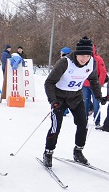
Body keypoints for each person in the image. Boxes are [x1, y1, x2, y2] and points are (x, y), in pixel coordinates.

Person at [42, 36, 104, 167]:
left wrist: (99, 96)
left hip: (76, 98)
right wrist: (53, 101)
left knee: (83, 124)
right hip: (59, 98)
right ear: (76, 53)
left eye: (87, 56)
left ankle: (78, 152)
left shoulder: (92, 62)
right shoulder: (65, 62)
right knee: (56, 126)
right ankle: (48, 152)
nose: (84, 59)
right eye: (81, 55)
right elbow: (49, 82)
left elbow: (93, 80)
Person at [82, 44, 107, 126]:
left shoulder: (98, 59)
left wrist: (99, 83)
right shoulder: (83, 59)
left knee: (96, 103)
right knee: (86, 103)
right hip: (85, 85)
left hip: (94, 85)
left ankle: (97, 121)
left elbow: (103, 72)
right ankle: (84, 120)